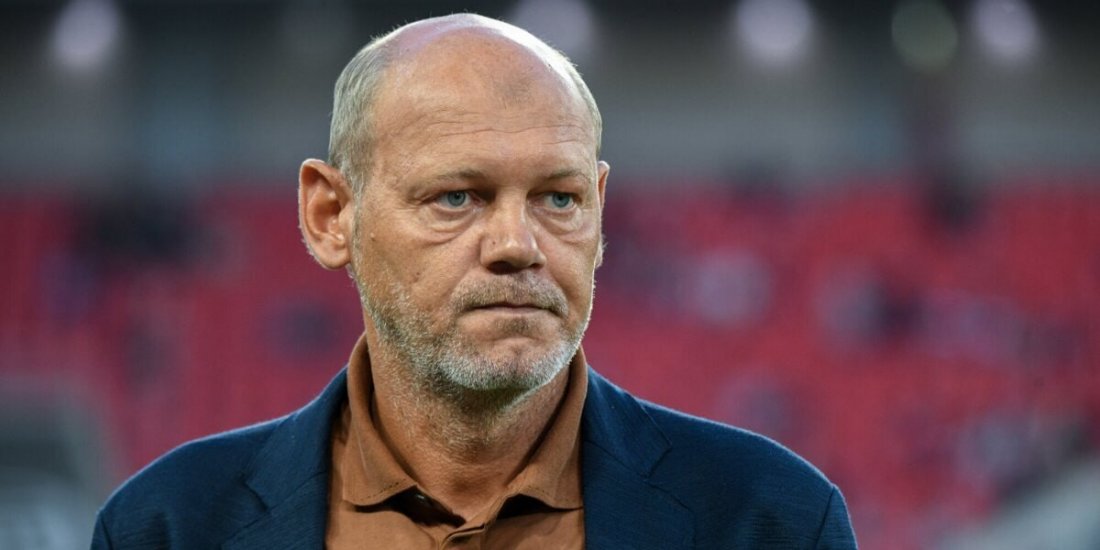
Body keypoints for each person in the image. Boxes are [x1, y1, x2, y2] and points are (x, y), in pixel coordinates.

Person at [92, 13, 856, 549]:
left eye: (559, 199)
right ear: (331, 216)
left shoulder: (772, 521)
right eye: (457, 197)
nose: (518, 246)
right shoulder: (167, 527)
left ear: (600, 212)